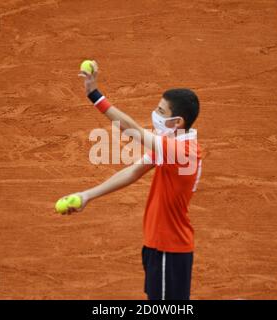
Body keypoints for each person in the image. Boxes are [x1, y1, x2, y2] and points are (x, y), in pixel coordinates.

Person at [63, 63, 202, 300]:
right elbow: (133, 172)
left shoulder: (183, 151)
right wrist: (88, 195)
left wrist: (94, 95)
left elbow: (132, 129)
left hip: (171, 248)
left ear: (177, 122)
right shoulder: (171, 146)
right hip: (157, 245)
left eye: (161, 112)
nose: (155, 115)